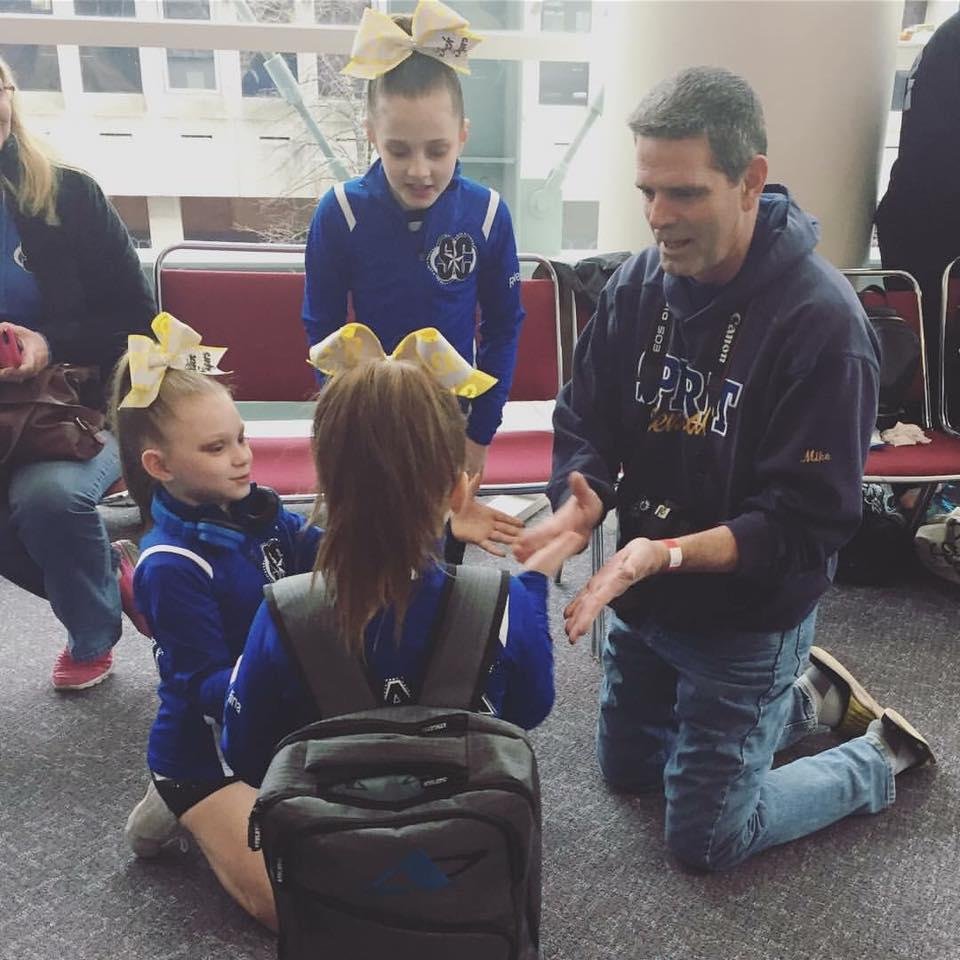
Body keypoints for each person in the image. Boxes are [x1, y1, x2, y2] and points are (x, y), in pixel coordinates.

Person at [516, 66, 934, 873]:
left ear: (750, 181)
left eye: (684, 194)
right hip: (645, 594)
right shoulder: (642, 281)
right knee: (628, 773)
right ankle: (808, 702)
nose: (657, 217)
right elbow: (586, 414)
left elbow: (806, 524)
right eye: (648, 192)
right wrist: (582, 496)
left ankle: (878, 755)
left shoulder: (823, 327)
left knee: (705, 840)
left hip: (747, 616)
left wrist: (668, 553)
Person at [115, 317, 527, 929]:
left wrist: (433, 527)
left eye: (240, 438)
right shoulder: (171, 565)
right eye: (216, 449)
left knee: (373, 876)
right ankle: (171, 793)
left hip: (276, 715)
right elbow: (200, 683)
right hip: (210, 744)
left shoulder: (265, 515)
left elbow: (347, 557)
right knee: (298, 908)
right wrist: (276, 666)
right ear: (160, 464)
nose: (242, 457)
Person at [217, 339, 561, 922]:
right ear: (459, 490)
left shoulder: (283, 614)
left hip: (335, 869)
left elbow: (247, 754)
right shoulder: (506, 603)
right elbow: (530, 708)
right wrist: (535, 586)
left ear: (323, 478)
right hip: (464, 869)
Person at [301, 0, 524, 486]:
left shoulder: (488, 214)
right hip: (368, 415)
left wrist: (481, 431)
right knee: (368, 528)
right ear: (371, 135)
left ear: (462, 137)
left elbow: (504, 326)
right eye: (398, 150)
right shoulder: (340, 212)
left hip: (451, 419)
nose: (419, 170)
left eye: (437, 150)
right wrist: (343, 416)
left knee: (443, 527)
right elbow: (323, 327)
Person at [0, 55, 155, 690]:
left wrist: (48, 343)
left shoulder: (69, 195)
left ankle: (92, 629)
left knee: (48, 499)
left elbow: (139, 319)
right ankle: (105, 572)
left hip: (80, 405)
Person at [875, 11, 960, 412]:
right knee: (930, 383)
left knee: (927, 383)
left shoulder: (950, 34)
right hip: (935, 223)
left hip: (918, 215)